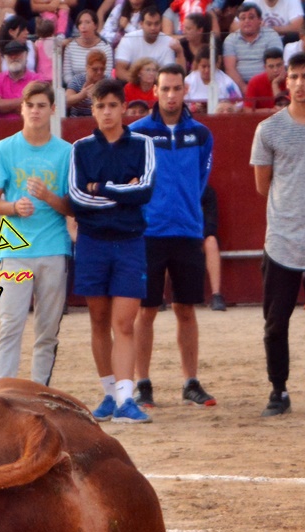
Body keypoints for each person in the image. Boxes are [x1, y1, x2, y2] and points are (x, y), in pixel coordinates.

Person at [130, 64, 216, 412]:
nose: (170, 95)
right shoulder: (137, 132)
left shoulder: (201, 134)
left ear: (185, 90)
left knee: (186, 308)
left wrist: (184, 207)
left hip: (187, 231)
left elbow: (200, 180)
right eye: (164, 88)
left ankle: (190, 382)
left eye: (176, 88)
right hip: (149, 232)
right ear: (154, 91)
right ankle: (142, 383)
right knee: (146, 310)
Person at [69, 78, 156, 424]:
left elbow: (145, 191)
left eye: (112, 106)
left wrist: (101, 188)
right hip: (92, 243)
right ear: (93, 110)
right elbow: (77, 198)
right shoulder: (80, 148)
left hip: (129, 242)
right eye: (100, 106)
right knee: (99, 320)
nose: (106, 112)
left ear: (123, 108)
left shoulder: (143, 144)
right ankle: (110, 394)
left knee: (124, 322)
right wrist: (122, 192)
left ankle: (125, 398)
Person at [0, 81, 72, 386]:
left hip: (53, 247)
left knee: (47, 330)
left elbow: (71, 207)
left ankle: (39, 392)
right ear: (22, 108)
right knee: (10, 325)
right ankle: (4, 390)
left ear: (52, 110)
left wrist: (48, 196)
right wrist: (13, 207)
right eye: (30, 105)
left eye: (41, 106)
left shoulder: (66, 152)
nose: (35, 111)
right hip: (15, 250)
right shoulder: (4, 149)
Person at [250, 52, 305, 416]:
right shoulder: (269, 129)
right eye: (295, 77)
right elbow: (263, 186)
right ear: (285, 81)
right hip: (282, 240)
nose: (300, 83)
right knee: (275, 324)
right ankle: (279, 390)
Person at [114, 5, 185, 81]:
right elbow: (120, 71)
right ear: (141, 24)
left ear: (161, 24)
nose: (153, 28)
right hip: (133, 83)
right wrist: (141, 83)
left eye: (156, 24)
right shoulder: (128, 39)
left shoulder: (168, 42)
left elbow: (169, 73)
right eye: (149, 24)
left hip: (158, 84)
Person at [223, 2, 283, 91]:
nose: (246, 21)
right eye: (243, 18)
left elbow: (275, 65)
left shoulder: (271, 35)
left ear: (260, 20)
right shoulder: (230, 40)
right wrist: (245, 88)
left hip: (267, 85)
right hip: (240, 88)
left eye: (251, 17)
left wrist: (258, 88)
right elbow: (230, 69)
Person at [0, 40, 42, 119]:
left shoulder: (37, 79)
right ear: (5, 58)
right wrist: (25, 101)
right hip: (1, 125)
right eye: (9, 55)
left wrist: (6, 107)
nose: (13, 57)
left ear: (26, 55)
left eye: (17, 54)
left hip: (29, 124)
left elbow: (37, 105)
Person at [63, 9, 114, 85]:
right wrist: (78, 86)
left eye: (87, 22)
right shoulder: (70, 47)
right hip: (76, 87)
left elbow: (107, 74)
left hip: (100, 87)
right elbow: (67, 75)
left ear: (95, 25)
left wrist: (94, 87)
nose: (83, 26)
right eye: (80, 23)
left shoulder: (105, 47)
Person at [67, 49, 108, 117]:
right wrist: (82, 95)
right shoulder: (77, 80)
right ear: (87, 67)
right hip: (77, 119)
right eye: (95, 69)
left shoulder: (108, 81)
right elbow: (66, 101)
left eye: (102, 69)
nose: (99, 72)